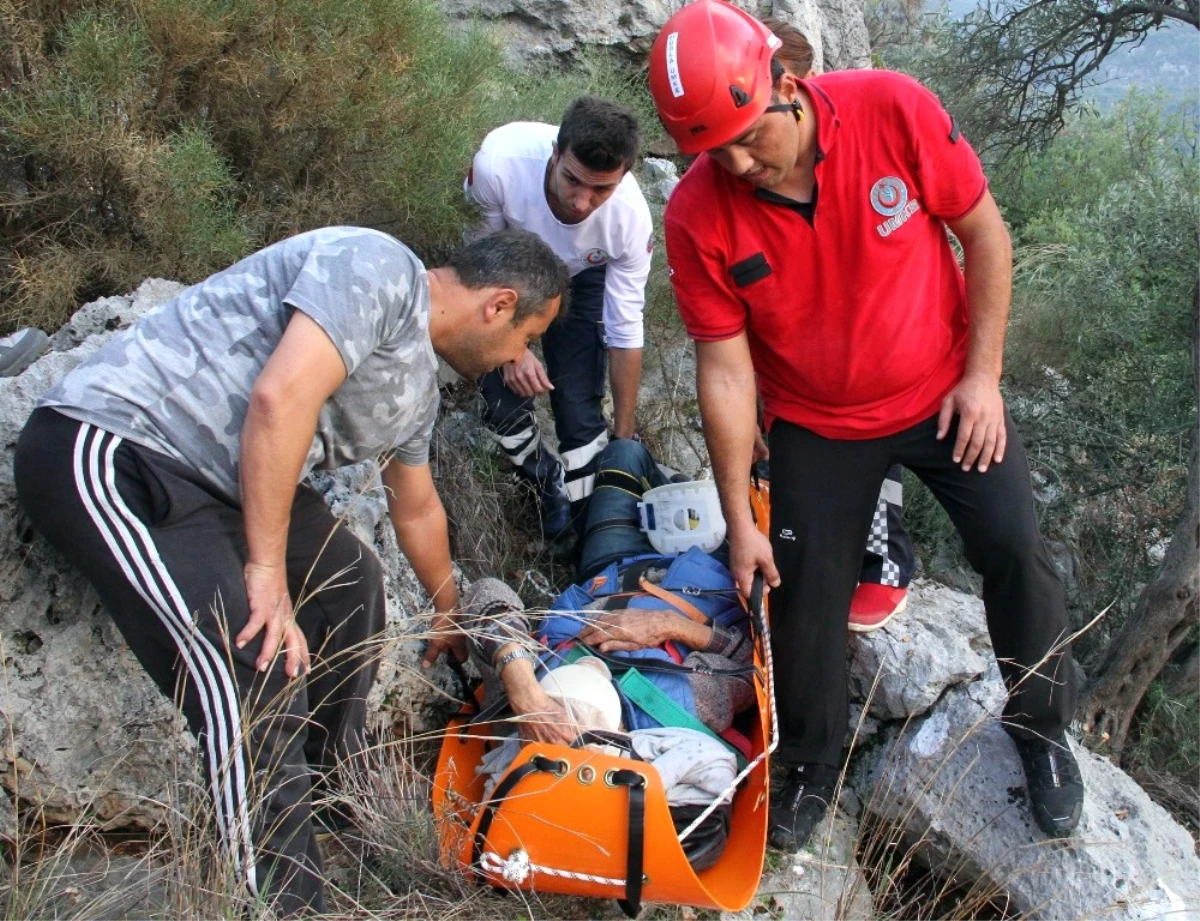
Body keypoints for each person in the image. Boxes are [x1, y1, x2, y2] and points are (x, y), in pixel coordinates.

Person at [13, 226, 568, 915]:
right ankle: (284, 900)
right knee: (253, 663)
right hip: (119, 447)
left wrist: (449, 610)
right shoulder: (378, 267)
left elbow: (417, 506)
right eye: (525, 338)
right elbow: (281, 397)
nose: (519, 358)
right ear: (499, 304)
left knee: (351, 585)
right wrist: (267, 573)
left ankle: (335, 803)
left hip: (223, 487)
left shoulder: (421, 386)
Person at [648, 0, 1083, 850]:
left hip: (939, 389)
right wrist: (739, 519)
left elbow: (985, 235)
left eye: (747, 136)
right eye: (711, 151)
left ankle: (1041, 729)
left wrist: (984, 379)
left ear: (787, 81)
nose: (734, 163)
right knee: (801, 591)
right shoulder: (699, 213)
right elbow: (727, 369)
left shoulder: (892, 109)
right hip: (818, 416)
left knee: (1017, 546)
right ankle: (808, 759)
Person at [761, 15, 914, 632]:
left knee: (878, 458)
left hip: (868, 343)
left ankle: (885, 561)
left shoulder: (856, 136)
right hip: (794, 354)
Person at [458, 438, 755, 747]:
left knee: (624, 452)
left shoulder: (528, 702)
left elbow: (487, 593)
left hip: (612, 568)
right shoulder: (676, 702)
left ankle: (668, 487)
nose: (590, 666)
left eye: (558, 700)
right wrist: (671, 625)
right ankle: (681, 488)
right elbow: (750, 668)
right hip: (709, 574)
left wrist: (522, 686)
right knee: (738, 491)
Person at [465, 97, 654, 536]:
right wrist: (514, 350)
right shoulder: (500, 163)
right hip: (504, 269)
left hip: (583, 277)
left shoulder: (629, 220)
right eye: (572, 179)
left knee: (577, 404)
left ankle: (588, 525)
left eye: (601, 190)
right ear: (555, 153)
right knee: (500, 395)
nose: (582, 202)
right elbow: (472, 271)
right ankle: (542, 481)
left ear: (623, 178)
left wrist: (625, 438)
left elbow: (626, 329)